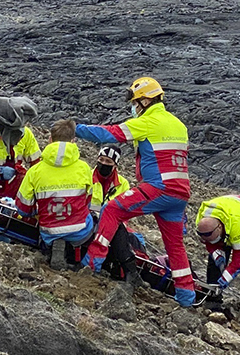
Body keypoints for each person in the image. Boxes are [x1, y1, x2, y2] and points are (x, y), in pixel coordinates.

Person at [77, 76, 198, 306]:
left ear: (144, 100)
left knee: (111, 211)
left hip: (159, 188)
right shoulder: (179, 125)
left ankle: (91, 265)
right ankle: (186, 297)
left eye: (134, 102)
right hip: (180, 194)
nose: (133, 107)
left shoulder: (149, 122)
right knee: (175, 246)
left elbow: (110, 134)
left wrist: (77, 129)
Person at [17, 119, 96, 270]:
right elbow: (88, 201)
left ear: (50, 140)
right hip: (80, 230)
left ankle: (54, 244)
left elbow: (23, 207)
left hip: (49, 229)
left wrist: (37, 213)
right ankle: (77, 256)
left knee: (47, 227)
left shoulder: (35, 171)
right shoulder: (84, 168)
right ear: (73, 141)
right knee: (92, 220)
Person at [195, 193, 240, 291]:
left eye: (209, 236)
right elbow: (209, 242)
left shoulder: (237, 225)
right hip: (231, 215)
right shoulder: (202, 224)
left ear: (219, 228)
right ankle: (213, 298)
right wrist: (214, 252)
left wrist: (226, 278)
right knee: (215, 261)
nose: (205, 238)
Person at [90, 145, 138, 280]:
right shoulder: (86, 175)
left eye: (108, 162)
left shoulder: (123, 184)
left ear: (115, 165)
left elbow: (124, 213)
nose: (103, 164)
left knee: (120, 230)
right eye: (101, 159)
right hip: (87, 219)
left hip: (110, 224)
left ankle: (128, 270)